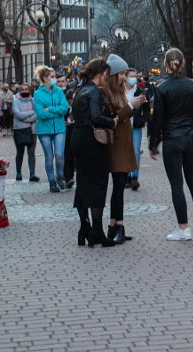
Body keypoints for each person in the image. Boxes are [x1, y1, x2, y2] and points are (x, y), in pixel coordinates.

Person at [149, 48, 193, 240]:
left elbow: (157, 119)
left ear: (166, 64)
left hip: (172, 138)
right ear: (182, 64)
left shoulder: (161, 88)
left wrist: (153, 143)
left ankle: (183, 228)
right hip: (191, 137)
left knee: (177, 185)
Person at [71, 58, 118, 248]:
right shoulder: (94, 92)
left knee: (83, 183)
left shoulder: (80, 90)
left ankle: (84, 227)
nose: (107, 79)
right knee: (98, 184)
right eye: (106, 75)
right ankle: (97, 231)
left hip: (77, 137)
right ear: (99, 75)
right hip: (93, 141)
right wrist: (112, 122)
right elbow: (96, 117)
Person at [103, 54, 145, 243]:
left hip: (123, 142)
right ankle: (115, 225)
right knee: (118, 187)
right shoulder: (107, 92)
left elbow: (123, 114)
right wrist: (130, 106)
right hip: (115, 144)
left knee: (120, 187)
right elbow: (114, 116)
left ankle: (117, 225)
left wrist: (135, 106)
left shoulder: (118, 91)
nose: (124, 77)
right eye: (121, 74)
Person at [34, 66, 70, 192]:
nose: (55, 79)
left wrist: (50, 109)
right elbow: (40, 114)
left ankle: (60, 176)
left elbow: (65, 108)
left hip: (59, 128)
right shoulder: (37, 94)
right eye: (52, 77)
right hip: (44, 130)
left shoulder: (59, 91)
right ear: (45, 78)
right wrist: (56, 112)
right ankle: (51, 181)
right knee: (49, 156)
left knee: (59, 154)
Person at [125, 68, 150, 190]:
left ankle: (134, 177)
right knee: (124, 151)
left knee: (135, 151)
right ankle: (126, 177)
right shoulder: (120, 91)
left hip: (136, 126)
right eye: (131, 76)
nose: (133, 78)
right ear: (125, 77)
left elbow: (147, 107)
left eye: (135, 76)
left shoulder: (139, 91)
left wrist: (143, 119)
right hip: (123, 125)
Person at [12, 83, 38, 182]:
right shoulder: (16, 102)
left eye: (26, 89)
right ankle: (18, 173)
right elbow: (18, 115)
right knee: (20, 153)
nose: (25, 91)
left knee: (31, 153)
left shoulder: (34, 101)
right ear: (19, 91)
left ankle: (32, 174)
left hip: (32, 130)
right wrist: (31, 113)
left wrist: (27, 119)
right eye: (22, 89)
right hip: (20, 130)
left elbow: (37, 113)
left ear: (30, 91)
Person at [57, 73, 76, 189]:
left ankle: (69, 176)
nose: (60, 84)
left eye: (62, 81)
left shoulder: (71, 93)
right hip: (59, 126)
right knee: (60, 153)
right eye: (58, 81)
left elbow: (76, 109)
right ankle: (61, 175)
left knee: (69, 152)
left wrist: (71, 121)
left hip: (70, 126)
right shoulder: (54, 93)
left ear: (66, 82)